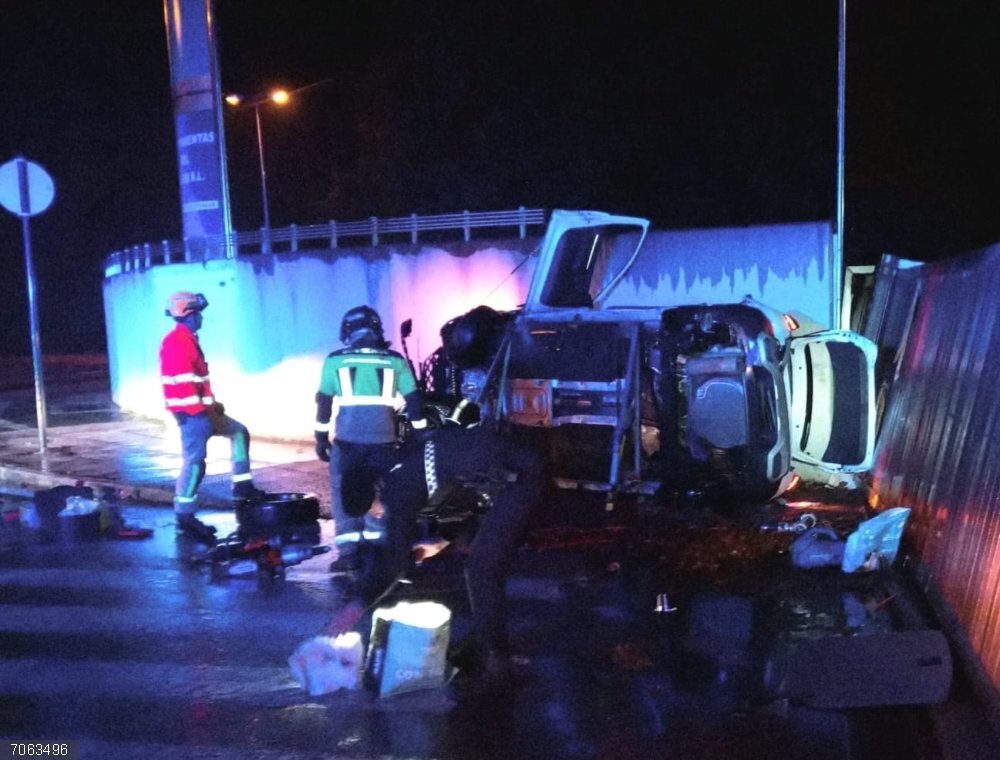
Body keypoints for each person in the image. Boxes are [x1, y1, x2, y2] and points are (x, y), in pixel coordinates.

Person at [351, 423, 547, 693]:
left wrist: (356, 605)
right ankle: (484, 644)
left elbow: (394, 560)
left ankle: (497, 666)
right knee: (482, 561)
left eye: (372, 509)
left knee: (481, 568)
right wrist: (441, 542)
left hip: (521, 474)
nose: (377, 515)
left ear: (374, 489)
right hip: (511, 464)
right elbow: (466, 500)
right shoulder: (402, 462)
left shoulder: (398, 486)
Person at [314, 305, 428, 580]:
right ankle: (379, 549)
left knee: (345, 494)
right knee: (382, 493)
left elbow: (324, 401)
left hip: (347, 443)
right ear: (377, 331)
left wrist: (320, 437)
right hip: (385, 443)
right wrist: (419, 436)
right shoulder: (394, 360)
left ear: (346, 332)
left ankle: (349, 556)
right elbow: (413, 402)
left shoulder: (335, 360)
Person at [159, 291, 265, 544]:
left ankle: (242, 486)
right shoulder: (177, 342)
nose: (202, 318)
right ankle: (185, 516)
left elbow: (197, 382)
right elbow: (183, 385)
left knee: (239, 432)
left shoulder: (187, 339)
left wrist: (213, 406)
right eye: (198, 314)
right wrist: (200, 415)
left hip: (203, 412)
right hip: (192, 416)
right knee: (195, 463)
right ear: (188, 315)